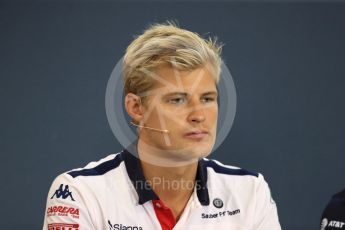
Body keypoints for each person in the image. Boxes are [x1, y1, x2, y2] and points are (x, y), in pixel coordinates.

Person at [43, 21, 281, 230]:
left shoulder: (250, 191)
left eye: (207, 98)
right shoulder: (79, 193)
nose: (199, 115)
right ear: (136, 108)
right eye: (177, 99)